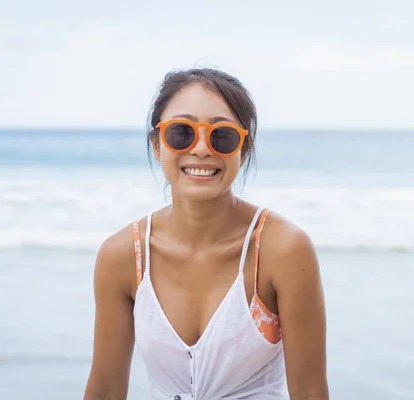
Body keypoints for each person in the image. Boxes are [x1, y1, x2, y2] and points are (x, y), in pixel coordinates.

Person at [83, 68, 329, 400]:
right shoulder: (123, 256)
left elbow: (310, 392)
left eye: (222, 136)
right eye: (181, 132)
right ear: (157, 145)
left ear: (243, 149)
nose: (201, 149)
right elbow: (105, 390)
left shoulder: (283, 250)